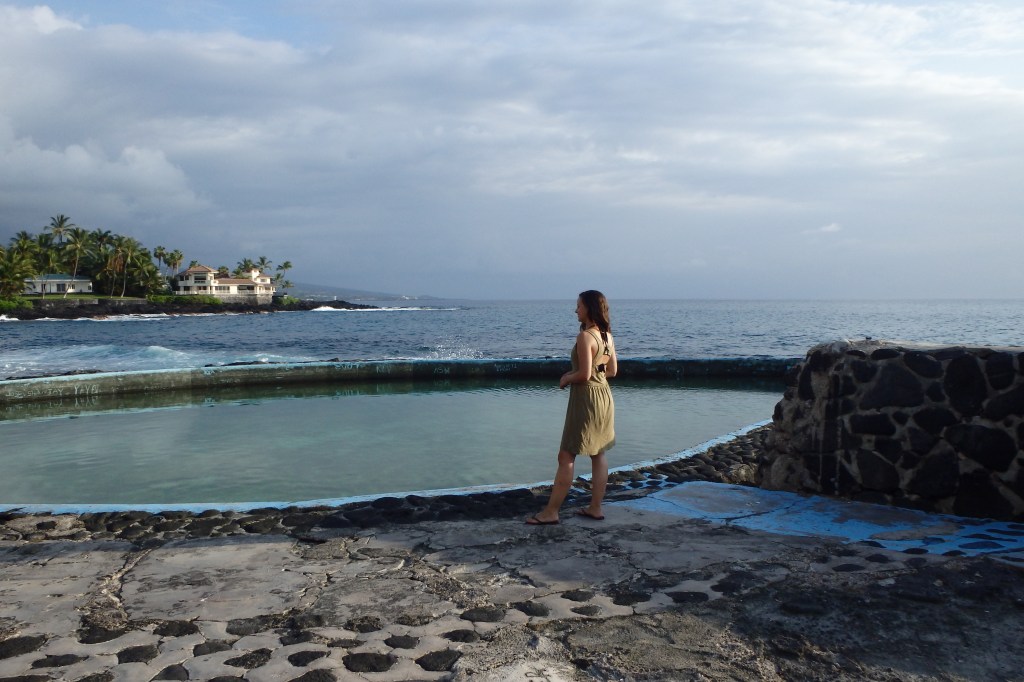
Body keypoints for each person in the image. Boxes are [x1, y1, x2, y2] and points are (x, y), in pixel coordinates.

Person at [527, 290, 617, 525]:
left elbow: (584, 374)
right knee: (599, 453)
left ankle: (551, 512)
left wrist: (567, 378)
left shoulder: (585, 337)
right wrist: (578, 374)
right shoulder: (606, 335)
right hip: (604, 396)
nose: (575, 310)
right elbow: (612, 371)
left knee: (566, 454)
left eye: (578, 306)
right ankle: (595, 507)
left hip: (586, 399)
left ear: (589, 308)